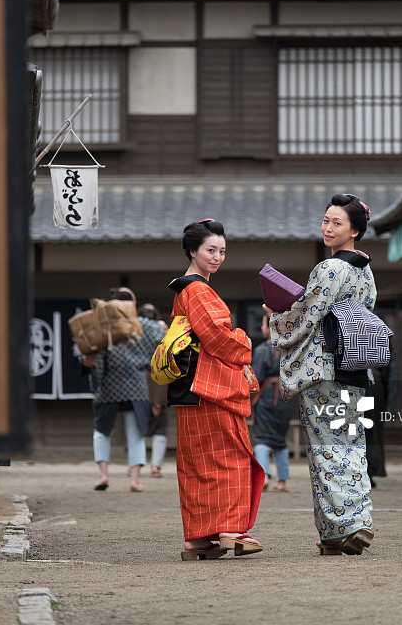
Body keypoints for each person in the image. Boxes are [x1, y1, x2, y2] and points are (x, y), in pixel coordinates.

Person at [265, 193, 376, 556]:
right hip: (356, 368)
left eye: (337, 223)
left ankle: (345, 526)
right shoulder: (365, 271)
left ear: (355, 230)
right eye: (326, 220)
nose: (328, 228)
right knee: (352, 446)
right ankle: (344, 528)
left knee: (326, 452)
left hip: (325, 370)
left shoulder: (330, 269)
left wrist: (275, 317)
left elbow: (306, 316)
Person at [168, 219, 265, 561]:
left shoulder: (186, 290)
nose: (217, 257)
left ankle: (198, 538)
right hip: (211, 388)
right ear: (192, 251)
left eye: (222, 251)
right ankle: (230, 530)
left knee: (197, 463)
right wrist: (245, 339)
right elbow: (218, 338)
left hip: (189, 389)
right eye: (210, 250)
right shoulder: (197, 289)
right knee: (230, 456)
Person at [81, 287, 164, 492]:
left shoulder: (103, 324)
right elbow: (160, 334)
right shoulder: (142, 324)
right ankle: (134, 480)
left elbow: (91, 351)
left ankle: (103, 475)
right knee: (135, 434)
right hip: (135, 383)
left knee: (101, 432)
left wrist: (89, 371)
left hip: (109, 381)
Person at [251, 313, 293, 492]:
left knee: (261, 436)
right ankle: (282, 481)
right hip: (285, 397)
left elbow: (257, 377)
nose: (262, 328)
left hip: (266, 395)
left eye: (263, 325)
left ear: (270, 328)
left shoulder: (262, 350)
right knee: (280, 438)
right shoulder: (291, 349)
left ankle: (264, 476)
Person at [139, 303, 169, 478]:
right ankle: (155, 466)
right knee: (159, 427)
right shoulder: (162, 330)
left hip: (138, 382)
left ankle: (135, 464)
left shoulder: (134, 330)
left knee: (137, 425)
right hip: (158, 378)